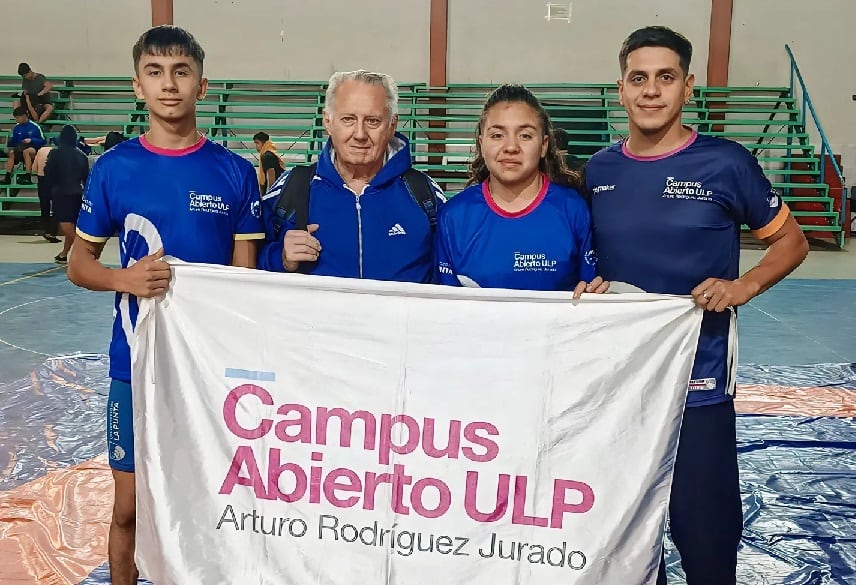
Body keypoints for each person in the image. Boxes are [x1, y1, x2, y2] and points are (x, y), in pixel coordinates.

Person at [583, 26, 809, 584]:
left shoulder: (726, 164)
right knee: (624, 536)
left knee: (704, 535)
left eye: (665, 78)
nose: (651, 91)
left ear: (688, 87)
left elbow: (793, 241)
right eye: (639, 78)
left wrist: (743, 286)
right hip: (620, 388)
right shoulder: (598, 171)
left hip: (699, 383)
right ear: (621, 90)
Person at [67, 26, 264, 585]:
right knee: (129, 505)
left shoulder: (233, 172)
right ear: (137, 86)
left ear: (203, 85)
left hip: (207, 371)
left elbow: (244, 276)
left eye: (181, 72)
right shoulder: (112, 169)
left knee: (210, 501)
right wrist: (121, 278)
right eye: (155, 73)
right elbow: (78, 265)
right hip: (134, 362)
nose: (169, 84)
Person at [258, 69, 444, 282]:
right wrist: (280, 259)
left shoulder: (424, 193)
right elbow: (246, 265)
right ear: (328, 122)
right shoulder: (292, 188)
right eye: (348, 119)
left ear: (392, 125)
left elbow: (449, 274)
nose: (360, 134)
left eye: (372, 121)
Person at [435, 84, 606, 297]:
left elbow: (590, 292)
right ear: (481, 144)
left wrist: (593, 293)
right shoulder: (454, 216)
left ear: (543, 145)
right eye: (497, 135)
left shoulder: (572, 209)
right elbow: (445, 311)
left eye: (525, 135)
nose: (511, 147)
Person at [43, 125, 90, 263]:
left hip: (61, 193)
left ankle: (84, 254)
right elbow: (86, 178)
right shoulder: (82, 155)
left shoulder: (55, 153)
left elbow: (48, 173)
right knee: (72, 226)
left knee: (65, 225)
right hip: (77, 193)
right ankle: (64, 254)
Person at [2, 106, 46, 185]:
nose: (17, 120)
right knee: (12, 153)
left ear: (24, 116)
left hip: (34, 150)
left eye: (18, 118)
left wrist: (31, 140)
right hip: (20, 149)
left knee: (27, 151)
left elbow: (43, 141)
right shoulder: (16, 128)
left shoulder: (35, 126)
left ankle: (28, 176)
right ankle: (7, 177)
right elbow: (14, 142)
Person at [32, 144, 60, 242]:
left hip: (42, 180)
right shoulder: (58, 151)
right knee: (57, 208)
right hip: (55, 180)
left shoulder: (40, 150)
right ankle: (52, 232)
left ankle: (46, 230)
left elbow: (34, 168)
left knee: (44, 208)